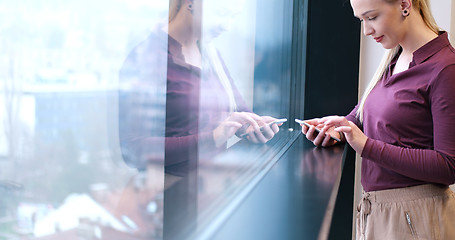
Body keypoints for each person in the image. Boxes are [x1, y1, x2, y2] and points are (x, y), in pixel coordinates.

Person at [299, 0, 455, 239]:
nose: (366, 30)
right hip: (380, 213)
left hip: (415, 219)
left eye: (371, 18)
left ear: (405, 4)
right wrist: (340, 128)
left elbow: (448, 166)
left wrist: (365, 146)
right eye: (361, 20)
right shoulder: (395, 57)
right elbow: (365, 112)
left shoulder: (445, 68)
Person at [118, 0, 281, 174]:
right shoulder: (148, 58)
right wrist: (212, 137)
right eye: (221, 12)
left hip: (215, 186)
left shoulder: (211, 54)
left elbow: (240, 111)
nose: (227, 26)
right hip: (173, 190)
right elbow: (135, 150)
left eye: (233, 17)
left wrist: (252, 127)